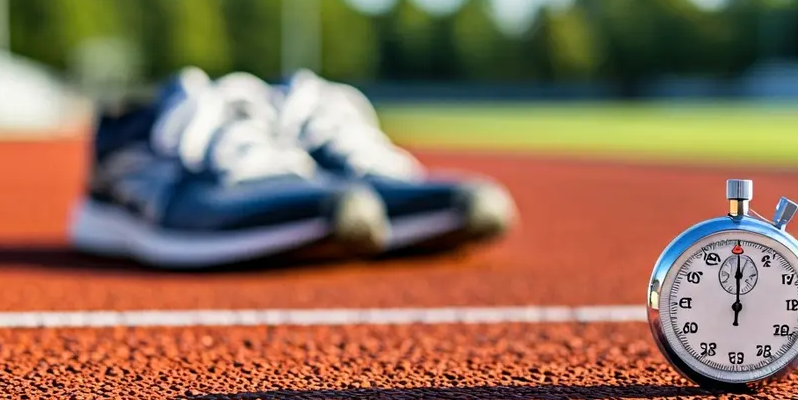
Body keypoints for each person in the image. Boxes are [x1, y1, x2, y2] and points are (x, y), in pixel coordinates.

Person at [68, 67, 516, 268]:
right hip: (163, 173)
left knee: (349, 202)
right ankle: (125, 182)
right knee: (342, 207)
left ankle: (317, 168)